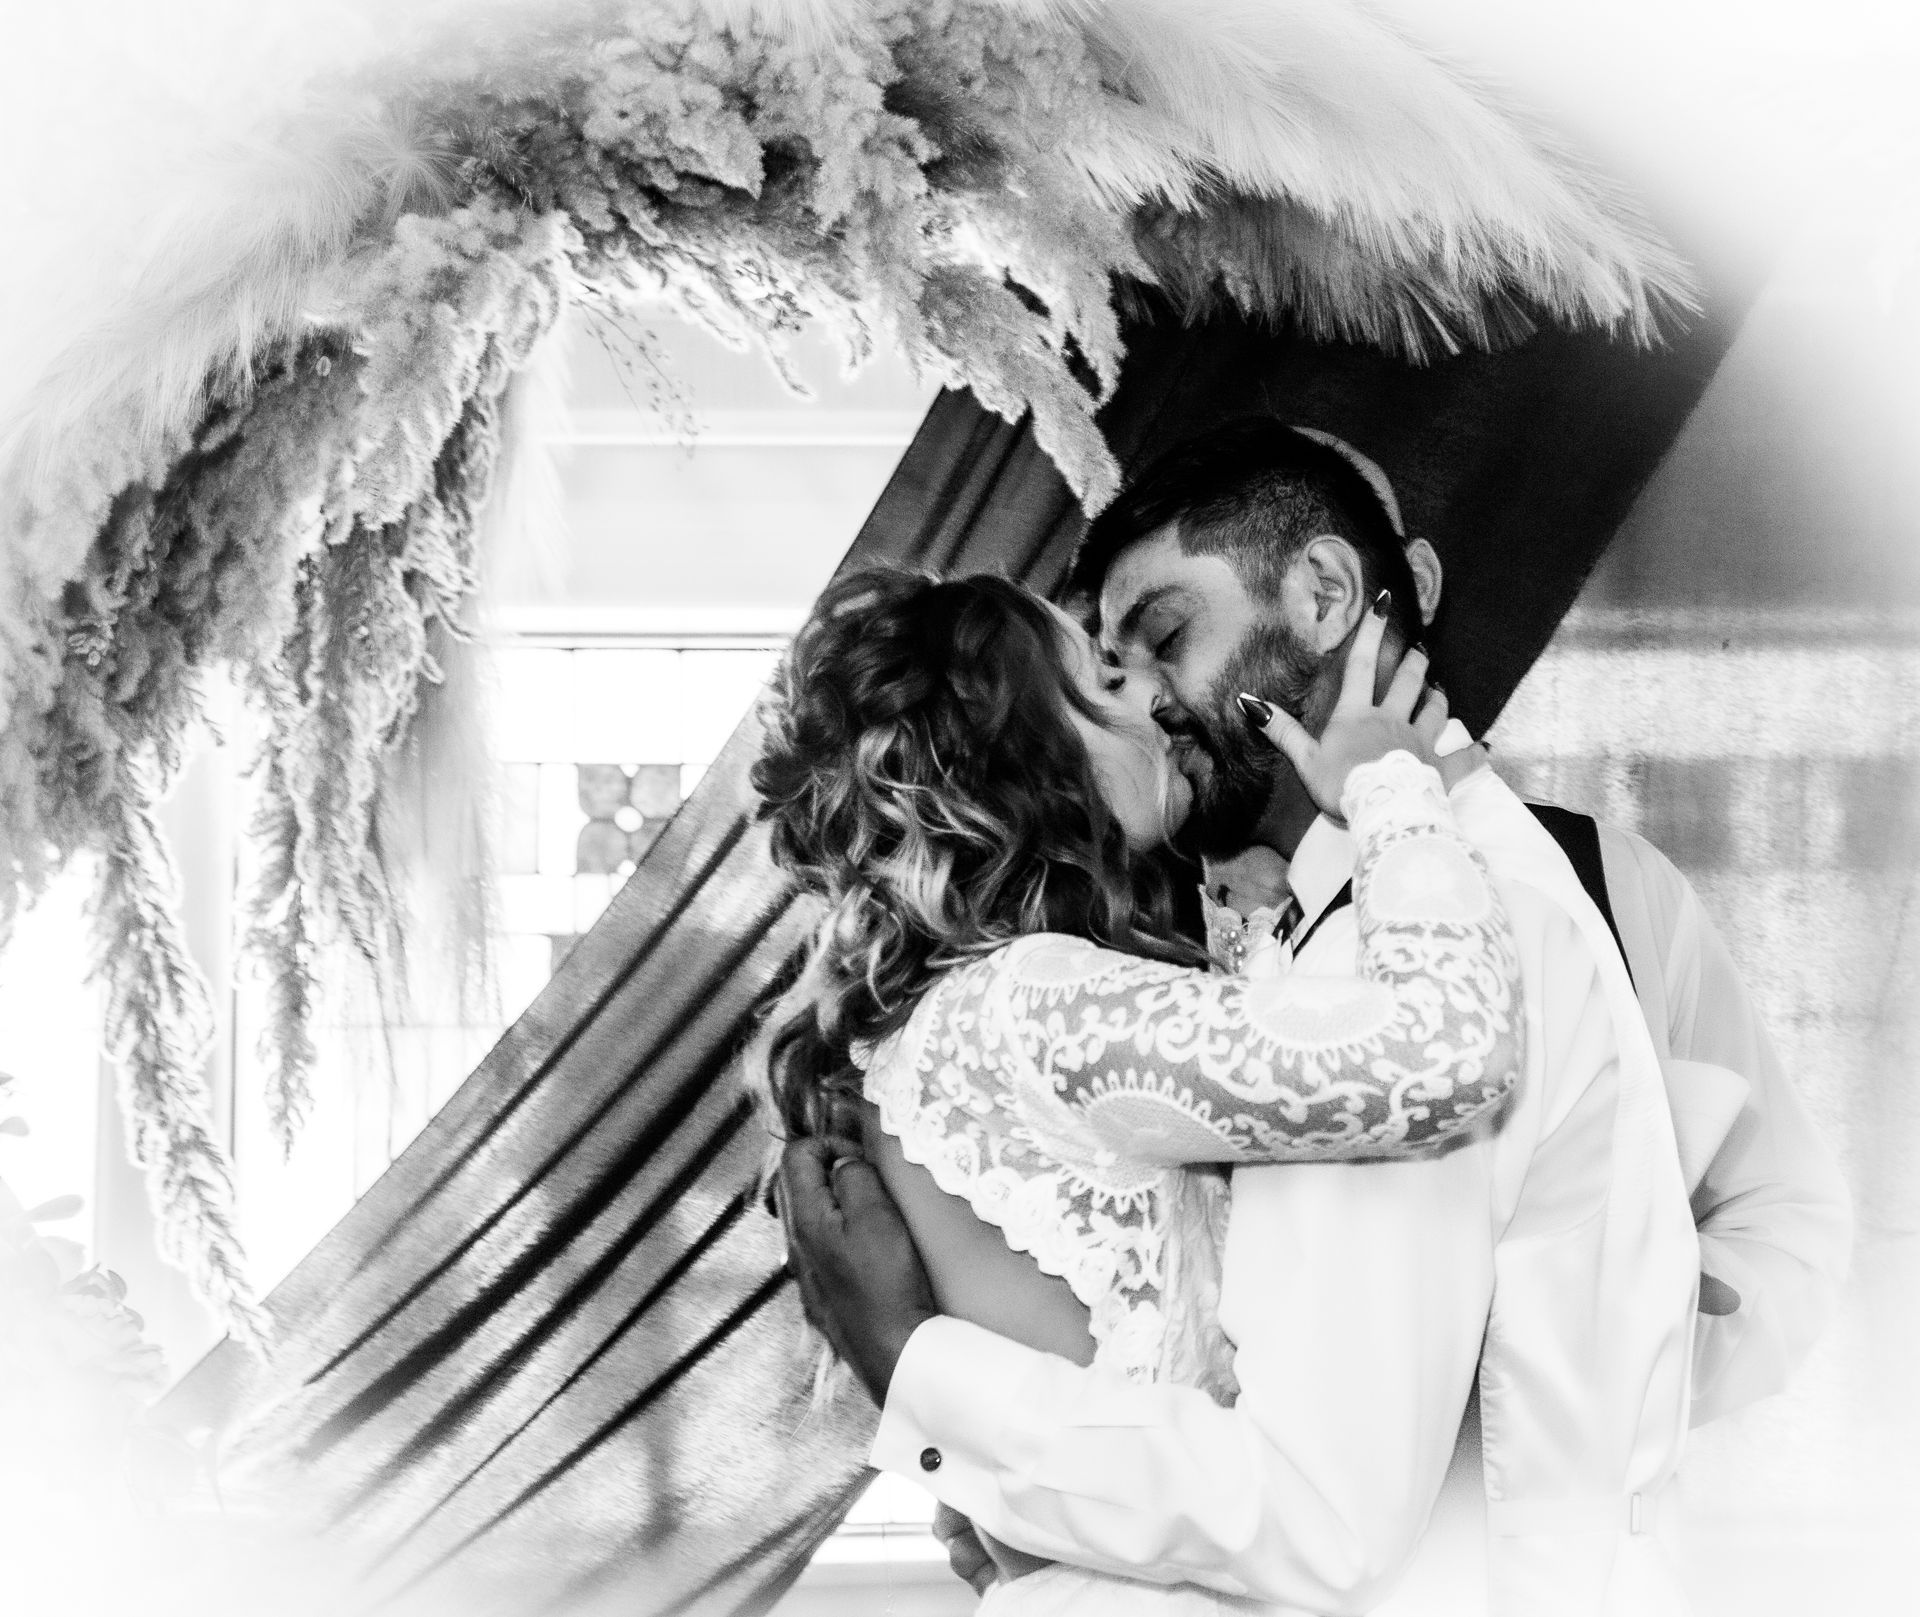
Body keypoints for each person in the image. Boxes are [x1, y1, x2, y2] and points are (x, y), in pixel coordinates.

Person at [779, 422, 1712, 1616]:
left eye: (1163, 640)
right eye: (1108, 676)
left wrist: (934, 1392)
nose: (1153, 701)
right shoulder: (1375, 916)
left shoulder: (1425, 923)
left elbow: (1316, 1512)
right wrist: (1009, 1499)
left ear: (1323, 595)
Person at [753, 564, 1529, 1613]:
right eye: (1105, 682)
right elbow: (1450, 1047)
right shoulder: (1029, 1002)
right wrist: (1391, 788)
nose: (1155, 699)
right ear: (1026, 748)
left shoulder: (937, 1030)